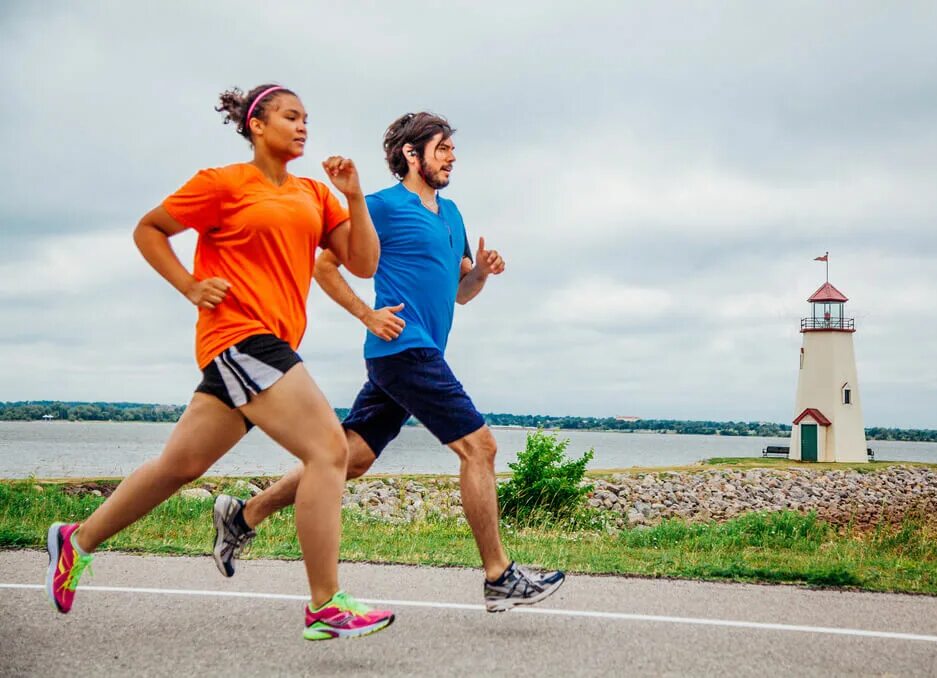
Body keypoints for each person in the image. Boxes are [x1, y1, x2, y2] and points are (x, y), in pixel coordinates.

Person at [45, 84, 395, 641]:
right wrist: (187, 284)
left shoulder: (314, 193)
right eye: (290, 116)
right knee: (329, 448)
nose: (303, 126)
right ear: (257, 124)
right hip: (240, 337)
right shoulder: (222, 184)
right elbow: (149, 228)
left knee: (178, 466)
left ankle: (76, 540)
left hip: (268, 345)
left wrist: (352, 195)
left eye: (307, 118)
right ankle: (325, 604)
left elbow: (364, 262)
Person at [212, 112, 565, 612]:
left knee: (350, 459)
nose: (452, 157)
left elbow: (461, 294)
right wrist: (367, 315)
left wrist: (481, 273)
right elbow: (324, 265)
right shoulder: (380, 206)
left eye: (451, 149)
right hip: (404, 348)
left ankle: (243, 516)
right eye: (442, 148)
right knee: (480, 449)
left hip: (411, 355)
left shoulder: (454, 214)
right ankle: (499, 576)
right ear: (411, 155)